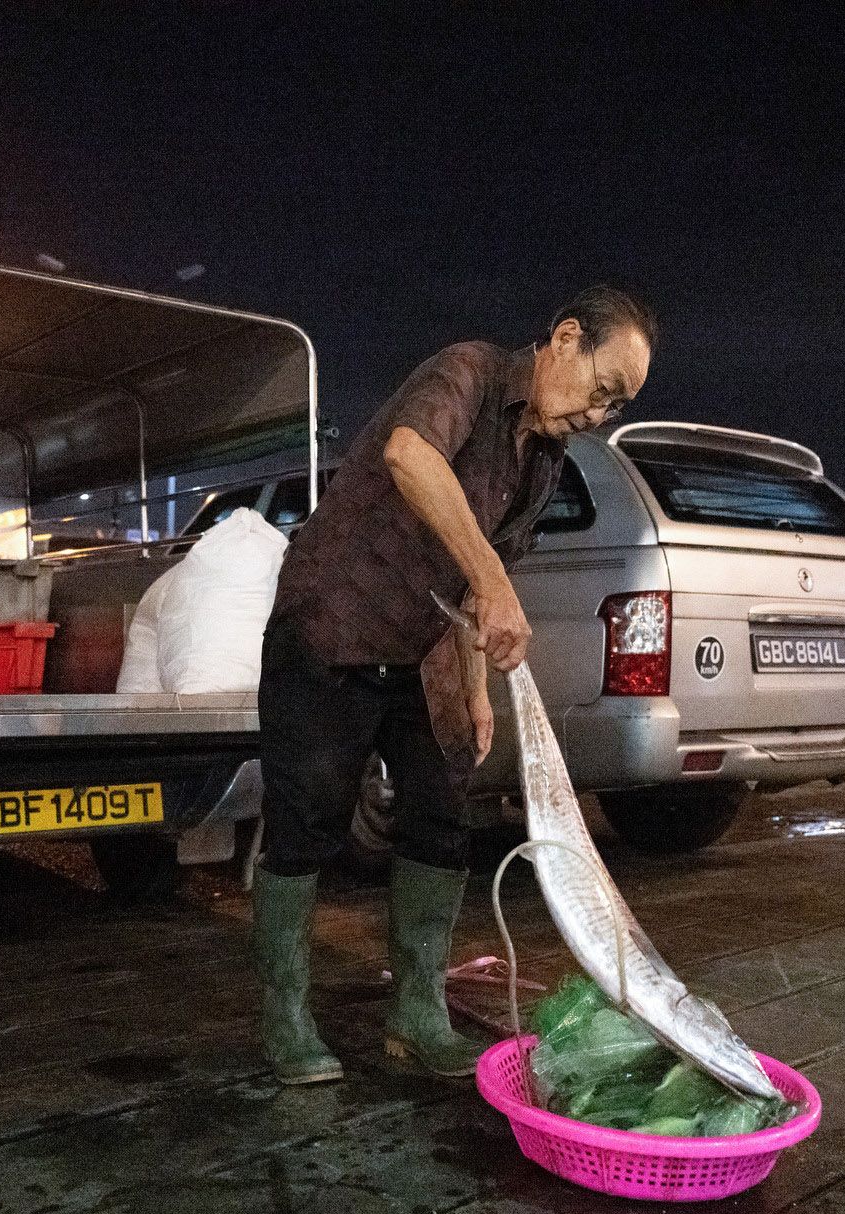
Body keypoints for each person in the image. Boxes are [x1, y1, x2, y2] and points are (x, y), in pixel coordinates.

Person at [252, 285, 657, 1084]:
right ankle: (284, 1015)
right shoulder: (469, 371)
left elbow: (479, 591)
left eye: (616, 406)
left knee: (444, 818)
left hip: (426, 651)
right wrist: (494, 584)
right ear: (566, 337)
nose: (600, 414)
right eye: (602, 388)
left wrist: (476, 692)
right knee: (309, 820)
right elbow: (410, 455)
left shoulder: (544, 465)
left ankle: (417, 1014)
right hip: (332, 625)